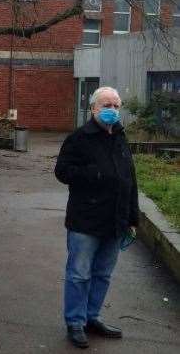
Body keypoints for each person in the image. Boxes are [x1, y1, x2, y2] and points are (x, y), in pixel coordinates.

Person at [54, 86, 139, 349]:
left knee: (102, 274)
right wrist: (92, 174)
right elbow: (62, 171)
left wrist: (133, 219)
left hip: (115, 221)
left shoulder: (121, 137)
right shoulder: (79, 138)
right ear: (93, 109)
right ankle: (75, 322)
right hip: (86, 220)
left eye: (115, 106)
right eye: (106, 105)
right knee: (79, 274)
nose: (112, 110)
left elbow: (130, 180)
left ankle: (92, 317)